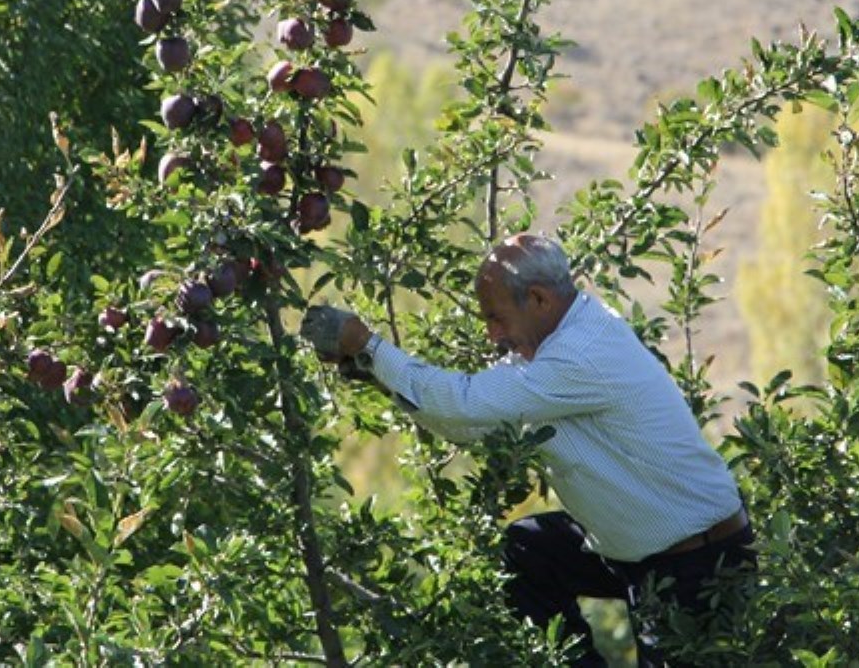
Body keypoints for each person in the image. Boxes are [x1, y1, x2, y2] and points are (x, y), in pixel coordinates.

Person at [299, 234, 755, 667]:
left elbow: (465, 402)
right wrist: (376, 371)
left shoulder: (580, 353)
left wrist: (370, 346)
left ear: (538, 299)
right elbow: (472, 424)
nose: (493, 335)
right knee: (530, 547)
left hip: (696, 561)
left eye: (496, 318)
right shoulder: (548, 350)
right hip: (636, 552)